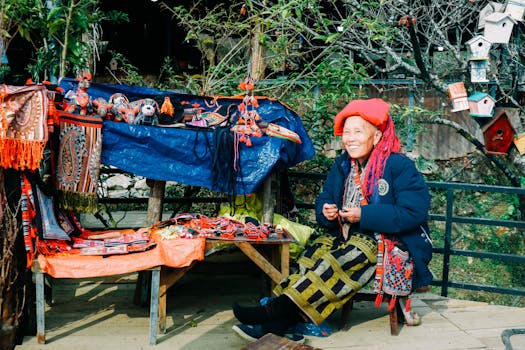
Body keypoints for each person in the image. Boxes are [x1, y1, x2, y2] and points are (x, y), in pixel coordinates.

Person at [231, 98, 433, 342]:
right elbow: (325, 197)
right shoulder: (342, 164)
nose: (350, 139)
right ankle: (280, 321)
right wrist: (325, 211)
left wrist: (363, 215)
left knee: (338, 260)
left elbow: (413, 212)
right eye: (347, 133)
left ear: (377, 136)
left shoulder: (399, 166)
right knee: (312, 254)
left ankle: (273, 312)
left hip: (386, 239)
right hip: (345, 233)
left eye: (358, 132)